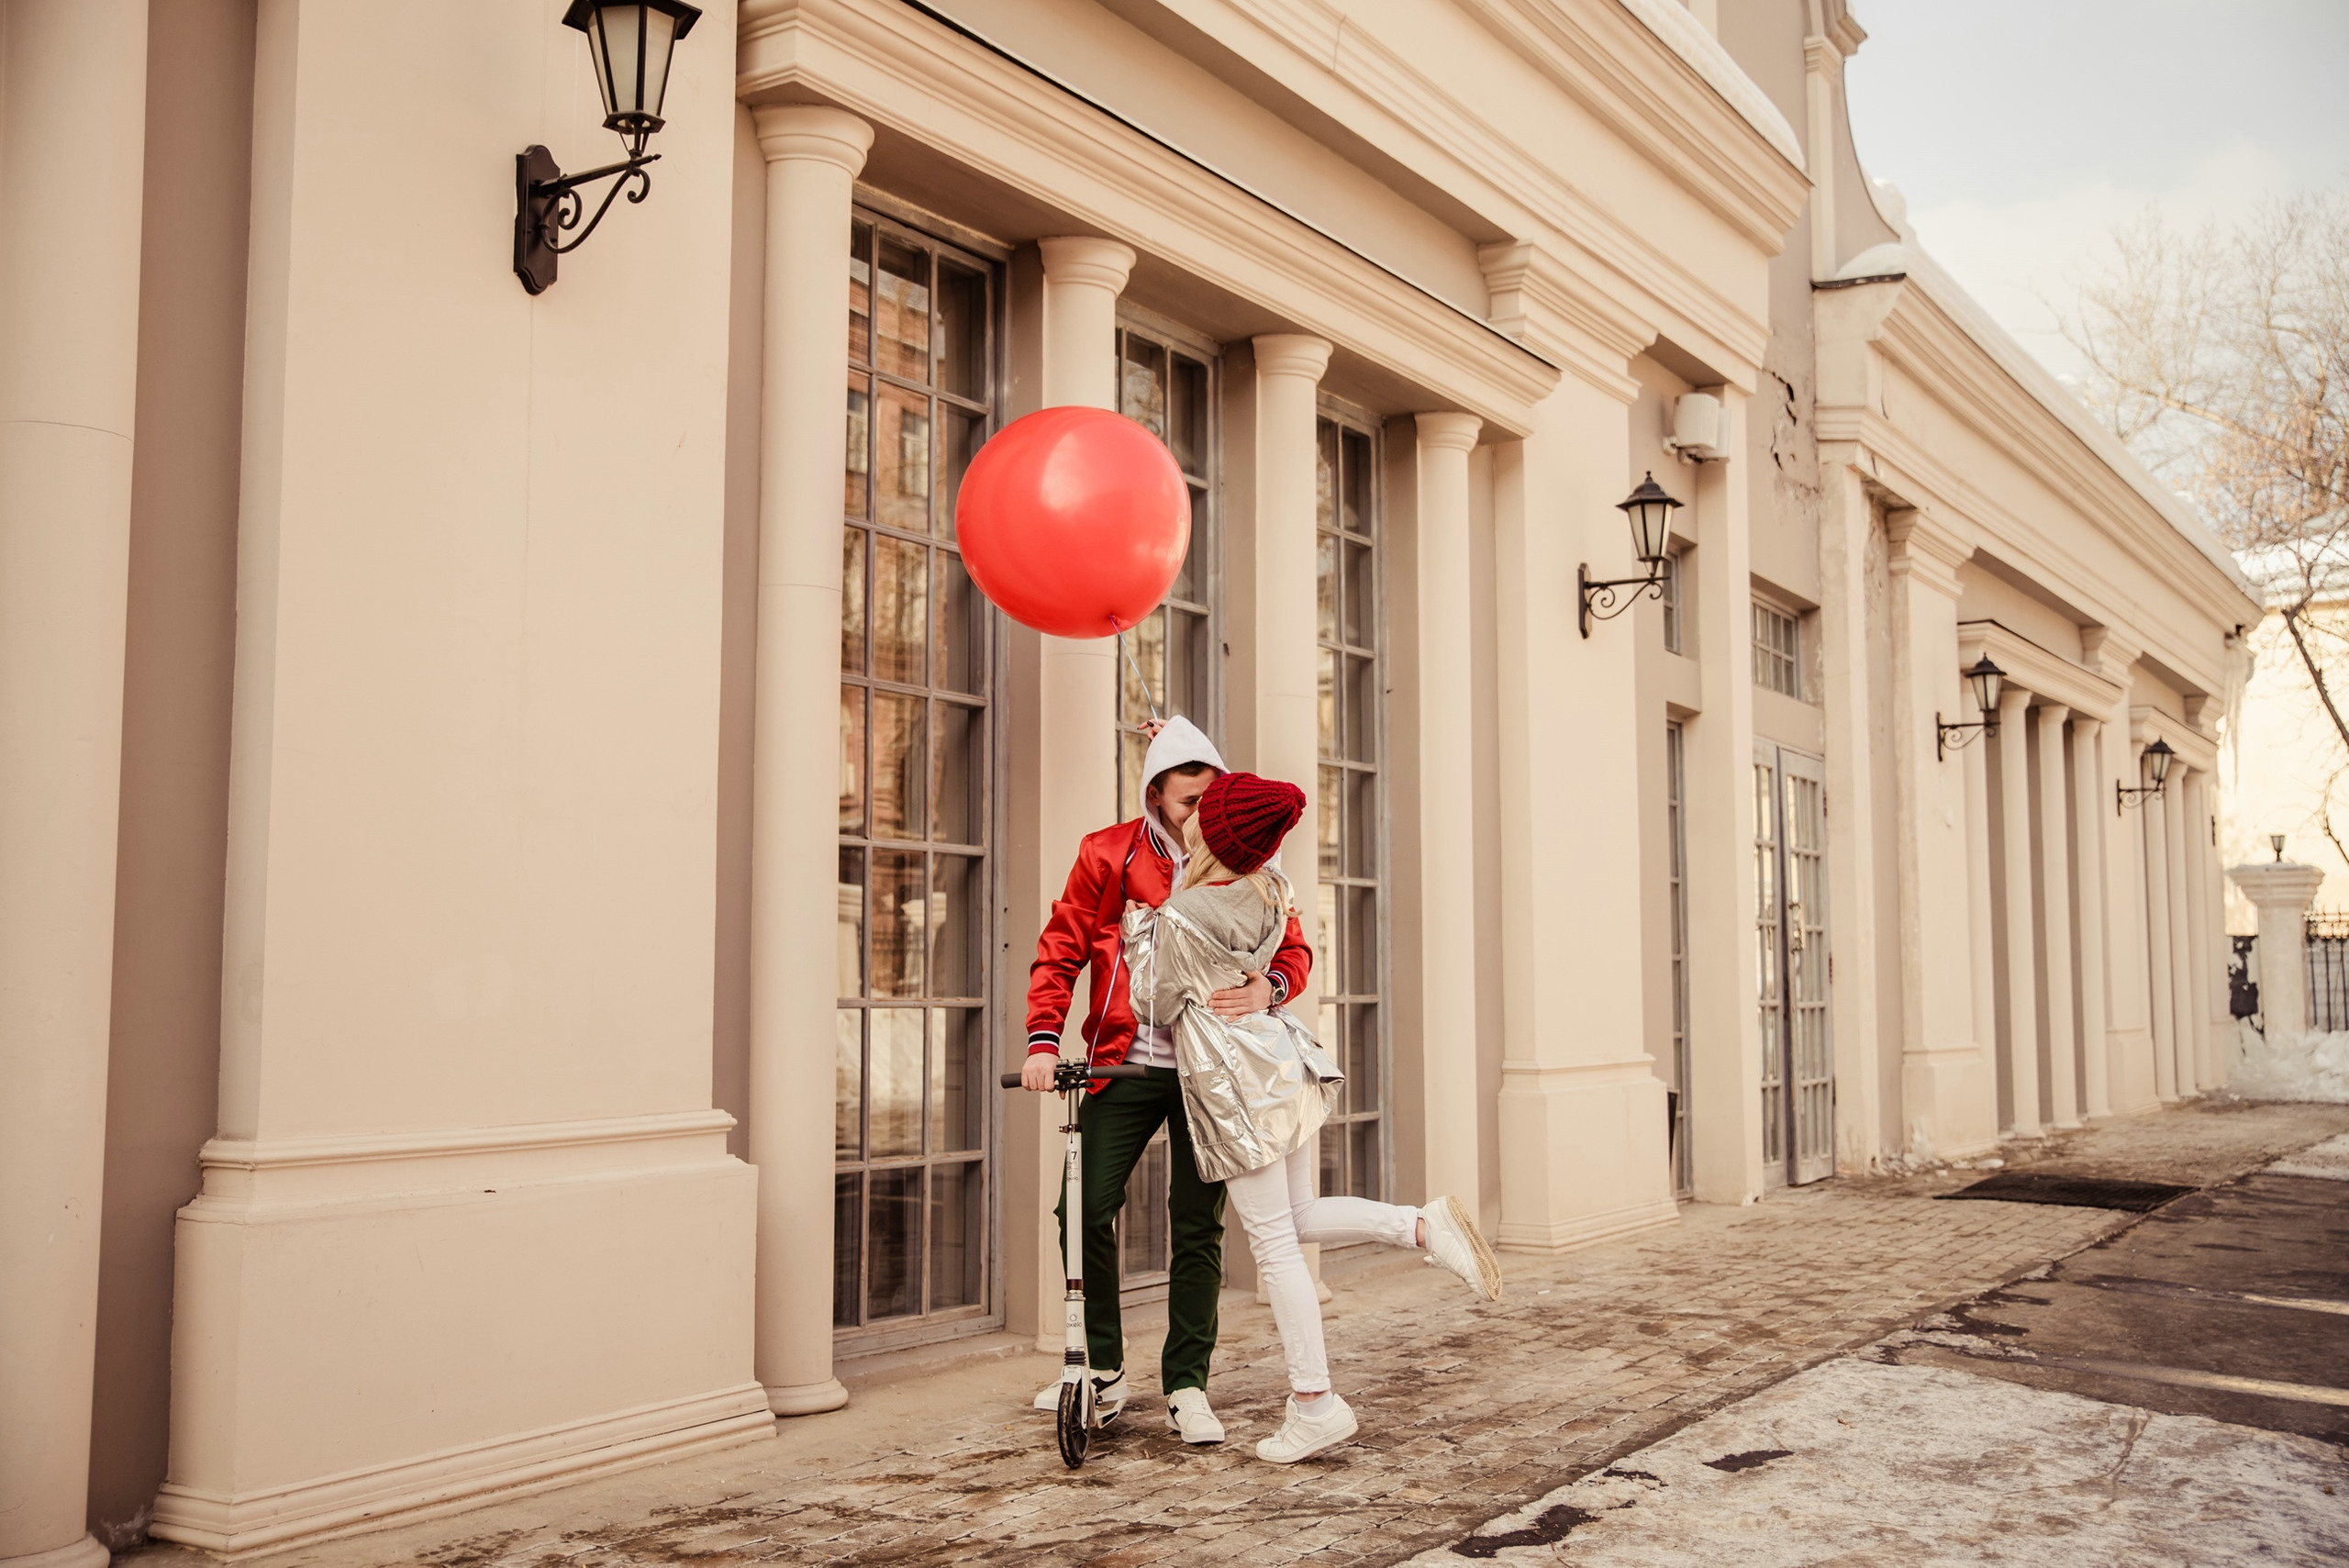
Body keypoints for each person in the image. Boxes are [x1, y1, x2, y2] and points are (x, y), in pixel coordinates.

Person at [1124, 771, 1503, 1464]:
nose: (1194, 821)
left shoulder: (1184, 914)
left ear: (1215, 830)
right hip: (1279, 1066)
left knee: (1274, 1247)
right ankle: (1420, 1225)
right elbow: (1274, 958)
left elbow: (1150, 997)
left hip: (1237, 1089)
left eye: (1204, 812)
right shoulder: (1273, 886)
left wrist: (1138, 923)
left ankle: (1314, 1402)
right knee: (1296, 1220)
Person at [1021, 717, 1312, 1446]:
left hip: (1212, 1076)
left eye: (1210, 800)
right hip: (1125, 1061)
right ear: (1155, 795)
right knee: (1080, 1208)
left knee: (1197, 1224)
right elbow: (1060, 949)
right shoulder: (1107, 852)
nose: (1201, 817)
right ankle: (1104, 1369)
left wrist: (1269, 988)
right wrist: (1042, 1038)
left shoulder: (1247, 860)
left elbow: (1296, 950)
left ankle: (1188, 1383)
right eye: (1187, 802)